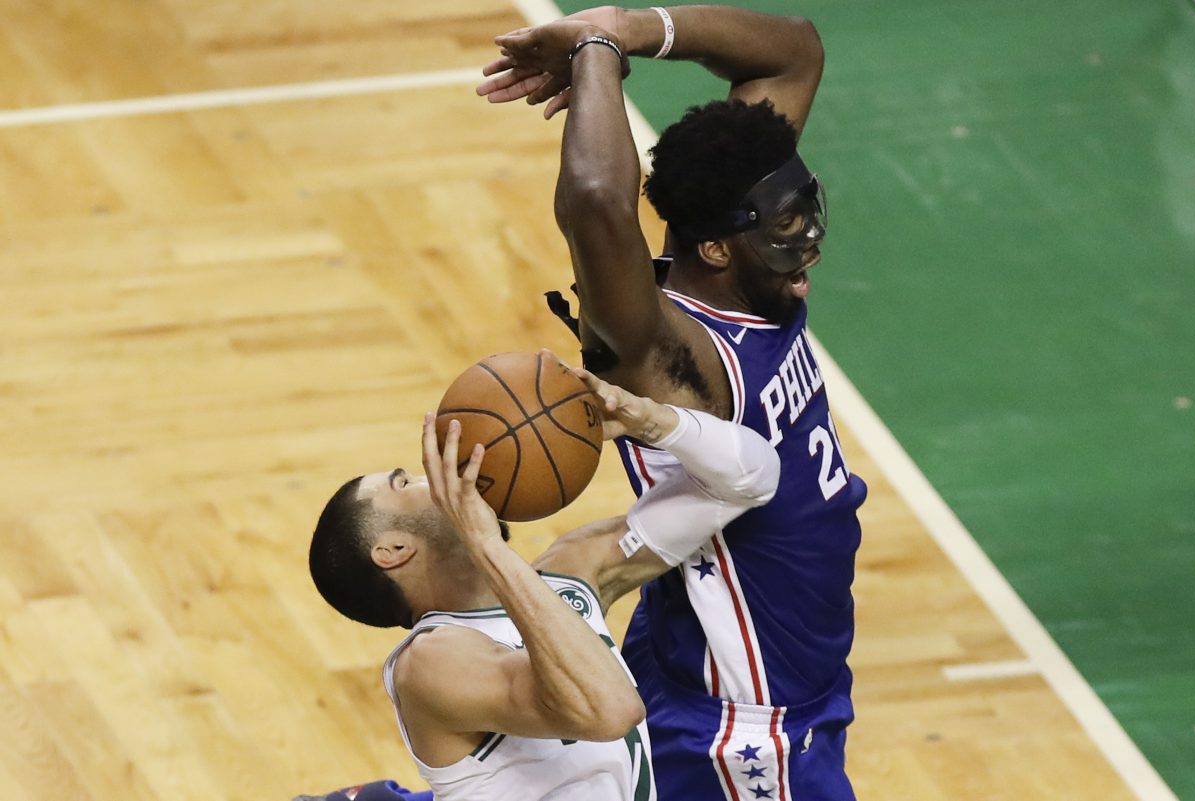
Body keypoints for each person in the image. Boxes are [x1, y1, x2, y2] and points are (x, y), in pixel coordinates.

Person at [476, 7, 869, 800]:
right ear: (716, 247)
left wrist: (632, 27)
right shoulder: (667, 354)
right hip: (747, 724)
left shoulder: (748, 271)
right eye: (785, 229)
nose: (809, 247)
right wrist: (595, 51)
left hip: (729, 653)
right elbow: (597, 199)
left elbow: (793, 54)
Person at [297, 361, 780, 801]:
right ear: (393, 551)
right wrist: (486, 545)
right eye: (404, 483)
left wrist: (653, 422)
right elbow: (610, 710)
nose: (437, 476)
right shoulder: (429, 664)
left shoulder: (572, 572)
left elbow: (751, 480)